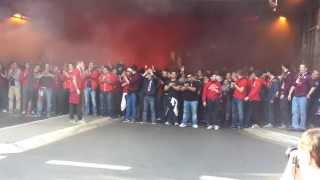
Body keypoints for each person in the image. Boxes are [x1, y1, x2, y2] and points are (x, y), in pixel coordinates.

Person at [288, 64, 314, 131]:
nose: (301, 69)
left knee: (302, 112)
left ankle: (302, 127)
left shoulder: (308, 77)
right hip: (295, 96)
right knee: (294, 111)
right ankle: (295, 126)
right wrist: (290, 94)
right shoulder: (297, 76)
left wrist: (309, 94)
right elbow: (293, 85)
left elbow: (313, 86)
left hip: (303, 97)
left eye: (302, 68)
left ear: (306, 69)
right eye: (300, 67)